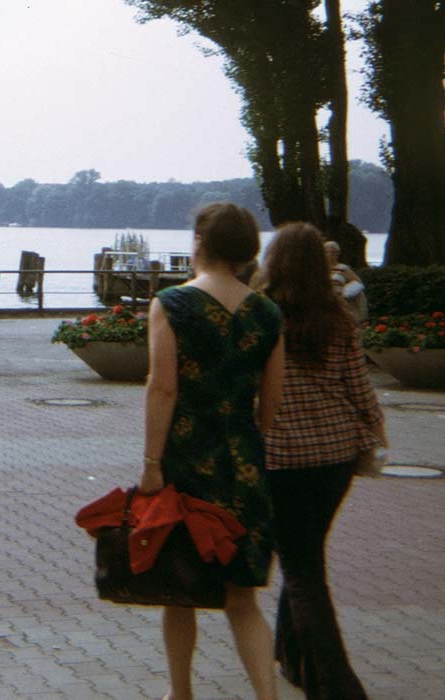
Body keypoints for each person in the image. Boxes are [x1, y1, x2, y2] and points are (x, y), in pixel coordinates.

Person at [140, 202, 285, 700]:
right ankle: (268, 695)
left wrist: (152, 464)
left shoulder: (172, 303)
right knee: (242, 599)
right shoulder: (268, 313)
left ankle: (180, 693)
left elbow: (163, 389)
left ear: (199, 241)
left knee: (179, 590)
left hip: (185, 461)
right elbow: (271, 405)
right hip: (243, 463)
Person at [259, 224, 385, 700]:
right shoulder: (337, 316)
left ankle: (337, 684)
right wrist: (376, 429)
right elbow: (359, 384)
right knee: (307, 552)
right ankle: (292, 656)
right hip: (336, 456)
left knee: (302, 566)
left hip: (282, 455)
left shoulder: (262, 315)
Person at [323, 241, 368, 324]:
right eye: (327, 252)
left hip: (340, 301)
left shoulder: (343, 268)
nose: (329, 254)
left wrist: (346, 292)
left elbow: (358, 283)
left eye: (333, 252)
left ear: (337, 254)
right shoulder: (319, 269)